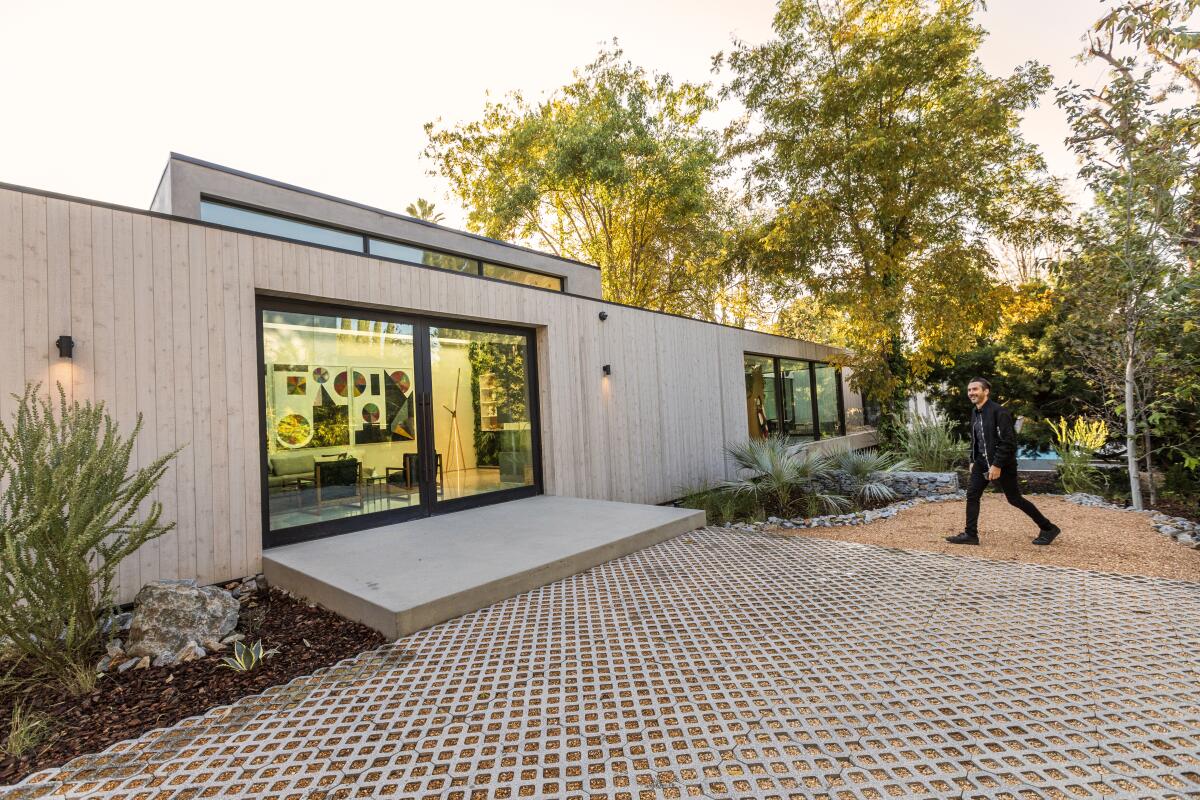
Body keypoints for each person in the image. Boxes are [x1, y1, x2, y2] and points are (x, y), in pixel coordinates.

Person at [945, 377, 1061, 546]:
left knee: (1014, 499)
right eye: (969, 390)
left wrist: (997, 465)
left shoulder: (1000, 412)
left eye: (975, 389)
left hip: (1003, 464)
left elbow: (1009, 442)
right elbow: (976, 439)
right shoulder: (975, 412)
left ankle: (1048, 528)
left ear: (986, 391)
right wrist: (972, 459)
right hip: (981, 463)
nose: (971, 393)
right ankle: (970, 535)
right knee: (972, 494)